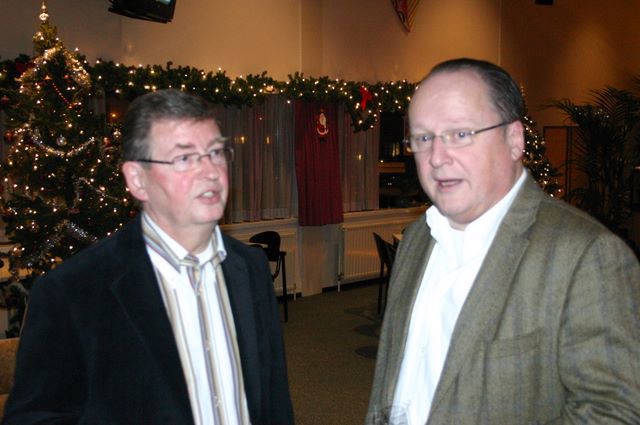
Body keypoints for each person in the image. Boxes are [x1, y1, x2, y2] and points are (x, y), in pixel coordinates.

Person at [366, 58, 640, 424]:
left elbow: (617, 412)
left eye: (460, 134)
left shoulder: (585, 255)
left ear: (514, 140)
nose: (436, 158)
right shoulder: (418, 237)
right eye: (424, 138)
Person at [3, 89, 294, 425]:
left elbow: (274, 399)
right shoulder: (72, 291)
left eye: (215, 152)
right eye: (184, 158)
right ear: (137, 180)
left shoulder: (250, 267)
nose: (211, 172)